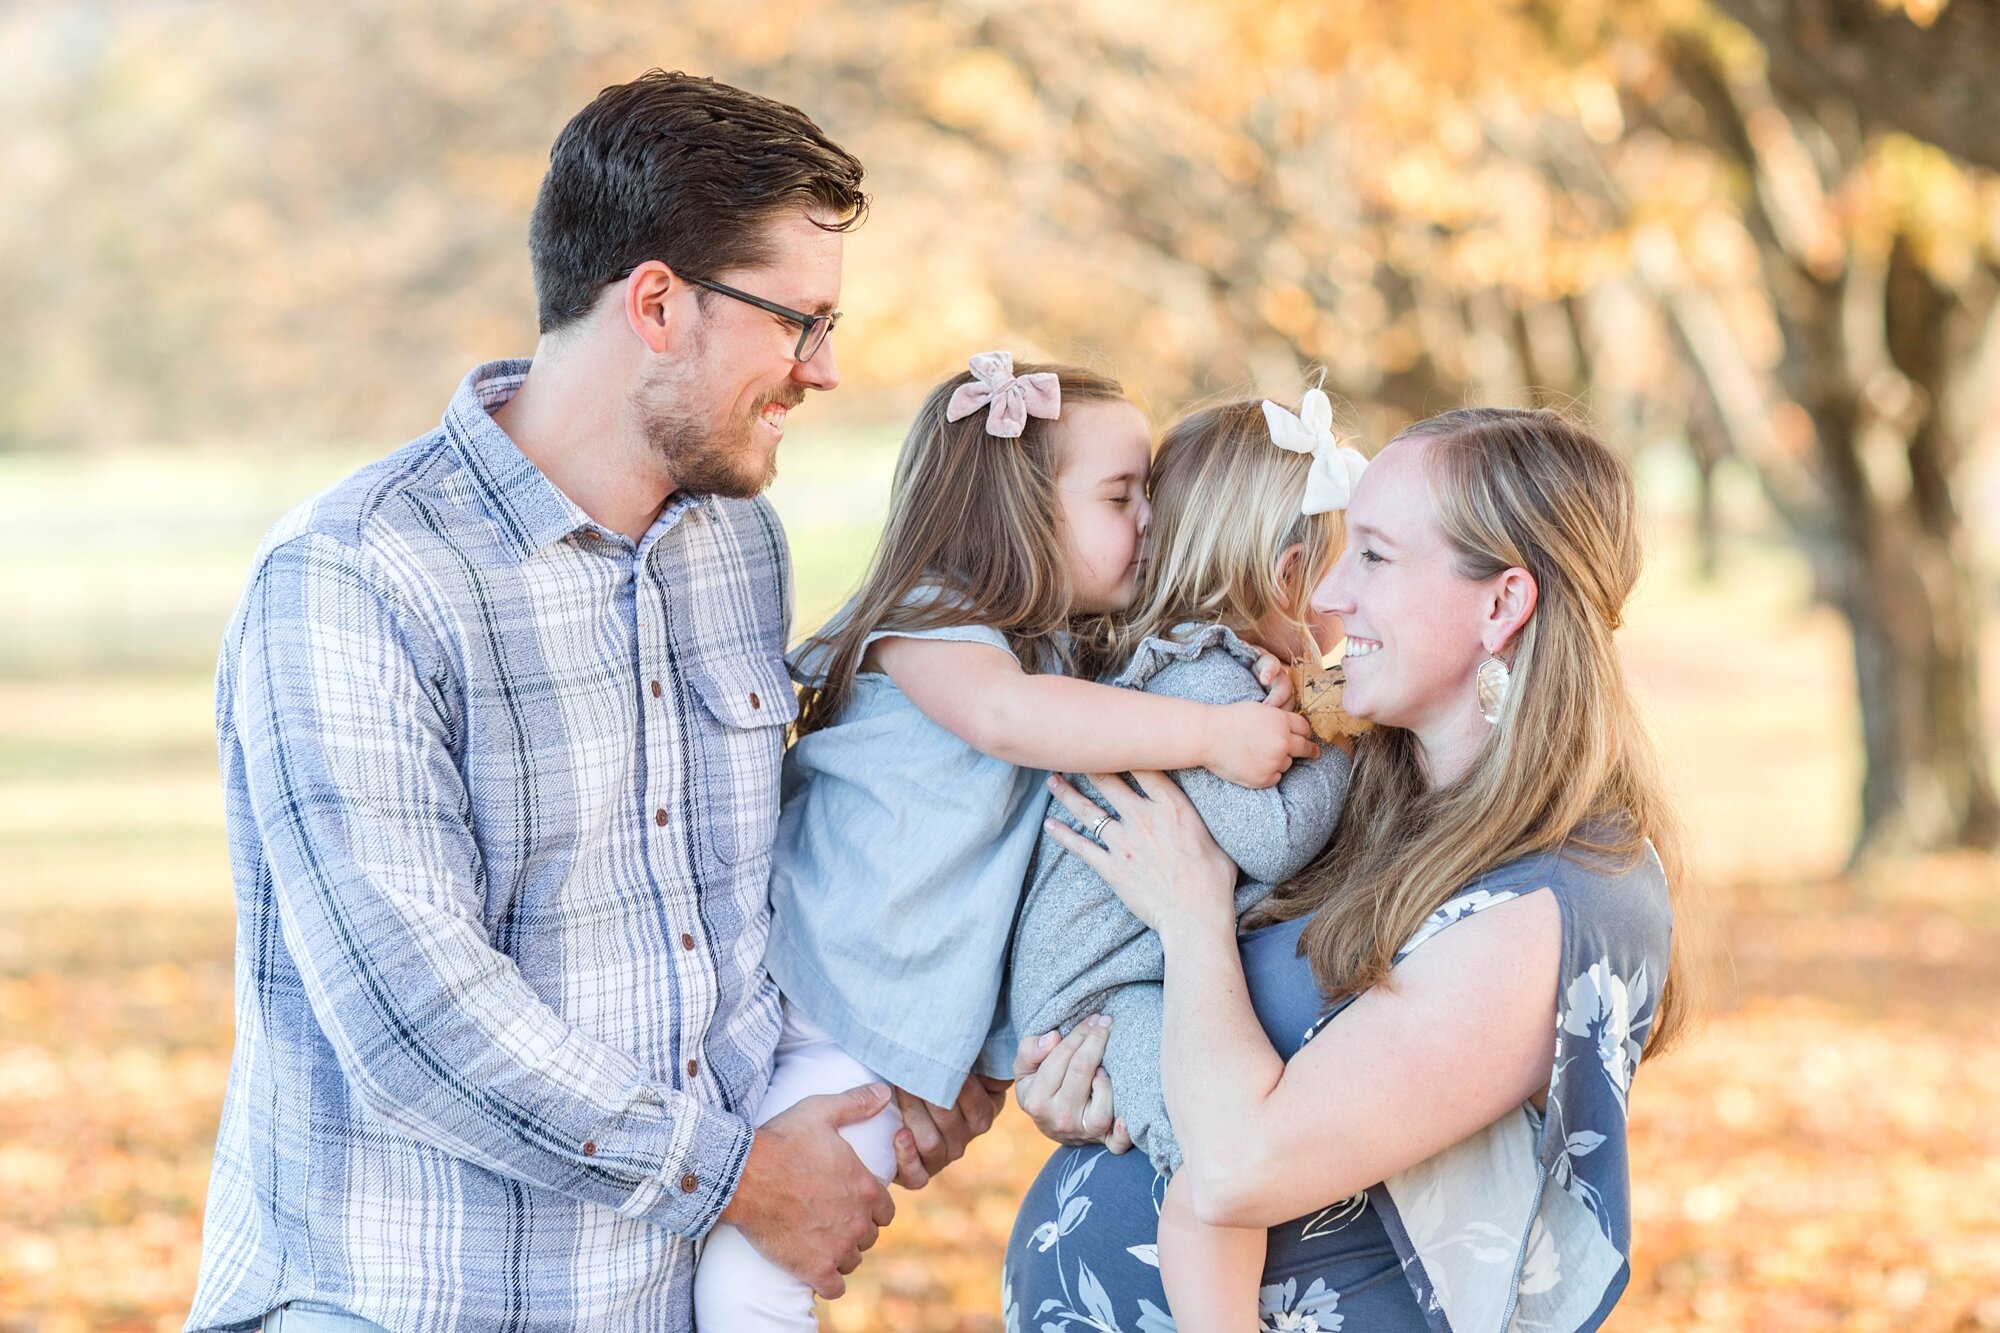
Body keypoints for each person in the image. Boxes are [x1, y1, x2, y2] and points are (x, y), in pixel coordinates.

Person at [188, 71, 995, 1333]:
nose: (824, 372)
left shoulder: (737, 547)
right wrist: (741, 1180)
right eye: (800, 322)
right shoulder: (356, 578)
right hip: (405, 1301)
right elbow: (412, 1016)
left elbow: (752, 898)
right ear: (660, 304)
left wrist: (896, 1058)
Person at [1006, 406, 1691, 1333]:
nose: (1326, 592)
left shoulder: (1555, 896)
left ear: (1501, 604)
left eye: (1373, 554)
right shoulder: (1379, 799)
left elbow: (1243, 1163)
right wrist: (1099, 1090)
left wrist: (1191, 911)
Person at [691, 356, 1320, 1331]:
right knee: (751, 1273)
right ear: (1021, 513)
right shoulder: (933, 621)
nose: (1149, 520)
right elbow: (1005, 718)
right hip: (817, 994)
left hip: (881, 1023)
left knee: (768, 1264)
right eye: (1121, 494)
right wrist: (1214, 734)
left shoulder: (1062, 656)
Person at [1003, 392, 1363, 1326]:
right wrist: (1344, 738)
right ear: (1289, 576)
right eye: (1346, 567)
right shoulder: (1202, 680)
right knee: (1212, 1156)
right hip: (1101, 997)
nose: (1348, 605)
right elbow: (1273, 836)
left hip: (1130, 977)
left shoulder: (1208, 676)